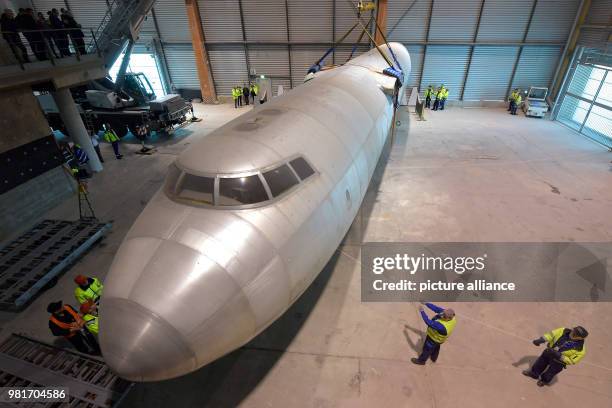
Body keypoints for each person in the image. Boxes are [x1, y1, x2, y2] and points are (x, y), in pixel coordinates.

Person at [523, 326, 588, 386]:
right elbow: (551, 335)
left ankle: (544, 380)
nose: (572, 333)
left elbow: (572, 361)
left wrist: (559, 356)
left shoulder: (581, 349)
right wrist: (542, 339)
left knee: (551, 371)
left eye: (575, 334)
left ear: (580, 338)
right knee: (540, 363)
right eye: (573, 330)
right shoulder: (563, 330)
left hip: (559, 361)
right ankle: (534, 374)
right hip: (549, 352)